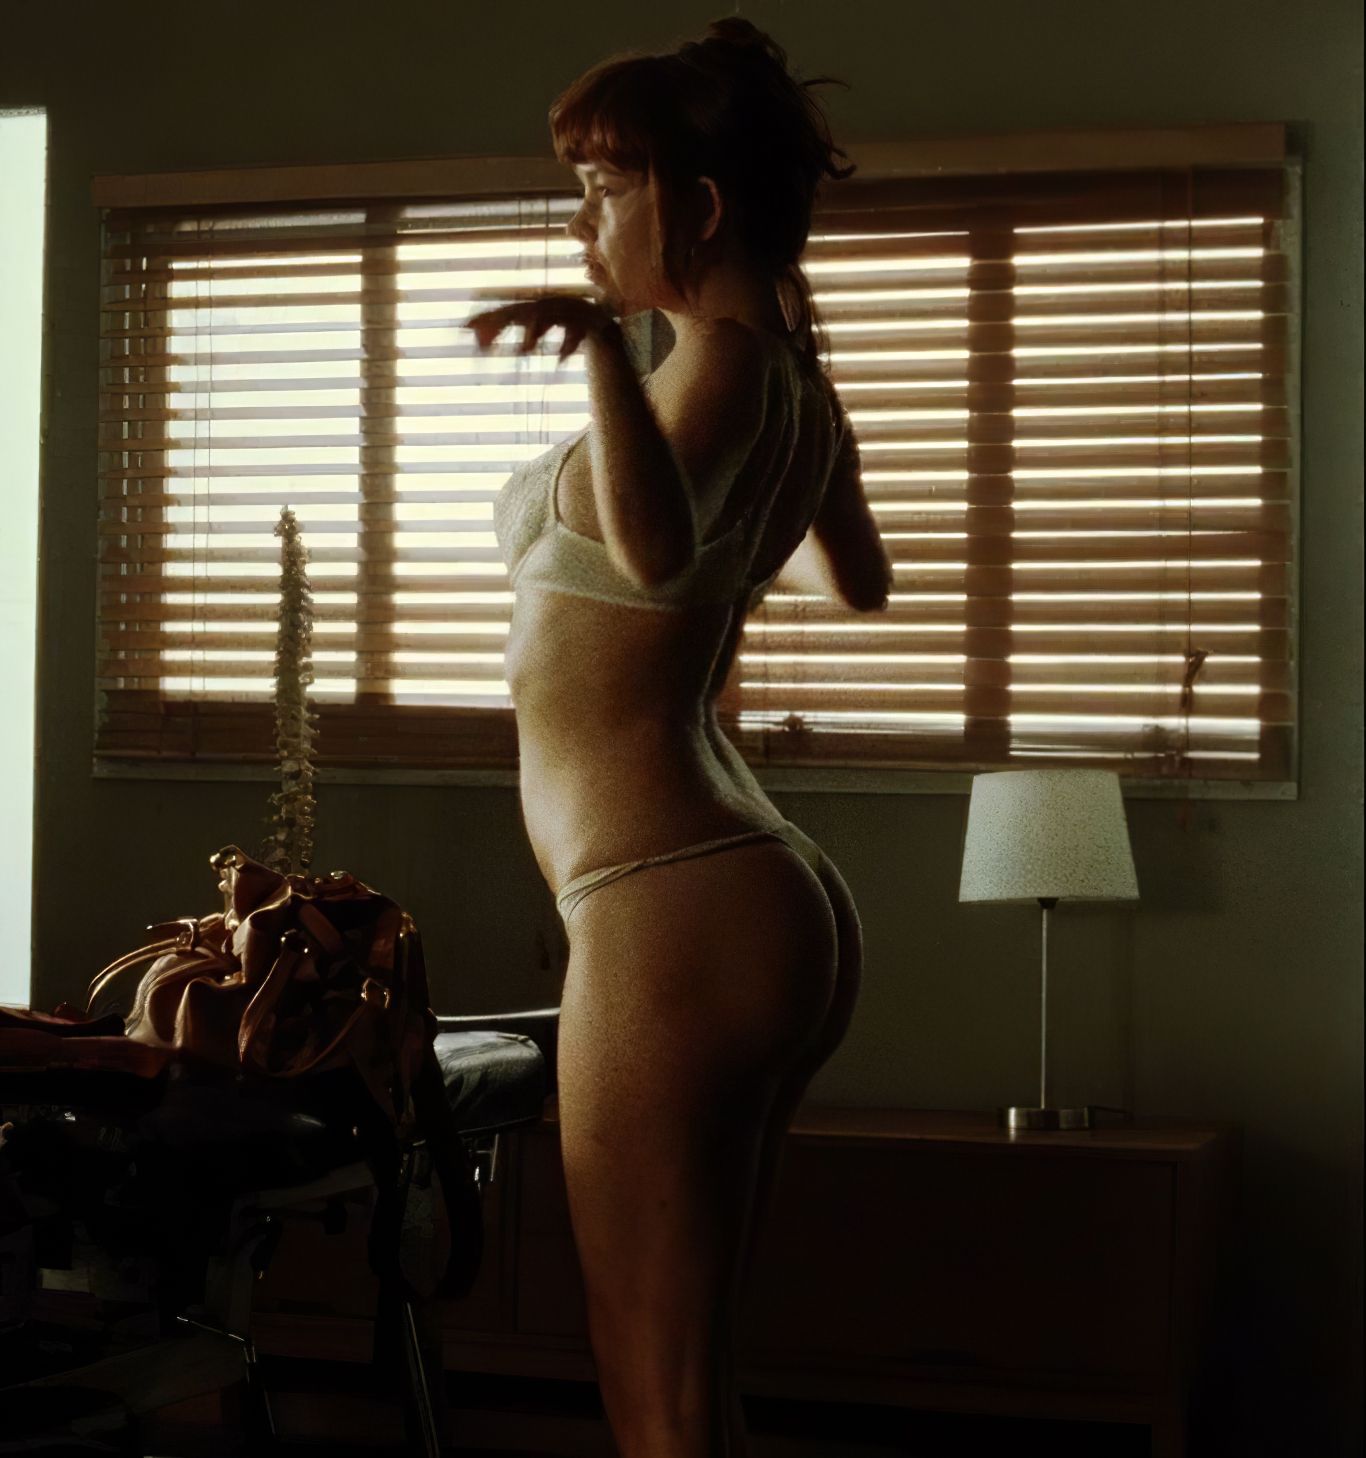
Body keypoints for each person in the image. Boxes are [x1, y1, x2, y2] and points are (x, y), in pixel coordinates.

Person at [466, 19, 893, 1457]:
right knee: (691, 1379)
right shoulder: (790, 379)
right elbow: (861, 577)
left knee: (651, 1384)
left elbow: (652, 557)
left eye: (603, 186)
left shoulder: (711, 365)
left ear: (696, 206)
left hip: (667, 901)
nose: (581, 222)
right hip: (738, 882)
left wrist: (600, 351)